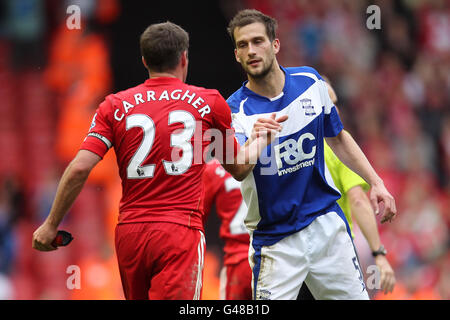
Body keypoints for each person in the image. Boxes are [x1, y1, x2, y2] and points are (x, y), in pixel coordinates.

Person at [31, 21, 285, 300]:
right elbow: (237, 169)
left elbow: (80, 167)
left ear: (144, 61)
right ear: (184, 58)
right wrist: (259, 139)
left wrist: (51, 224)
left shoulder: (113, 106)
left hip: (130, 234)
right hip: (180, 231)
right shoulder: (209, 102)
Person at [226, 9, 397, 300]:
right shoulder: (234, 111)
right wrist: (258, 140)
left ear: (275, 45)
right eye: (243, 45)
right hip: (275, 242)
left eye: (258, 41)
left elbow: (339, 138)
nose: (251, 51)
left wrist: (376, 182)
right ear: (236, 55)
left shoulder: (310, 82)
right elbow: (238, 168)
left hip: (325, 227)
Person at [298, 80, 396, 300]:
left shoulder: (290, 148)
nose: (335, 110)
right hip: (334, 253)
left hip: (294, 255)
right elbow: (358, 200)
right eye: (329, 103)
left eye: (335, 103)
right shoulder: (340, 148)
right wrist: (378, 253)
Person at [202, 159, 252, 300]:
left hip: (236, 261)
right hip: (271, 255)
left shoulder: (214, 168)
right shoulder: (274, 159)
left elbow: (198, 216)